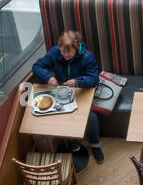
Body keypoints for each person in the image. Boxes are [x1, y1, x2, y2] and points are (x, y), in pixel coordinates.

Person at [32, 30, 105, 163]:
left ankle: (95, 145)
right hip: (61, 89)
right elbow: (37, 66)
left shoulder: (87, 57)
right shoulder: (54, 52)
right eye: (62, 51)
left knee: (91, 117)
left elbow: (94, 79)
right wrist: (49, 77)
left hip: (82, 91)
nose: (65, 54)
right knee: (59, 114)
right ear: (59, 48)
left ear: (76, 50)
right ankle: (72, 142)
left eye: (69, 52)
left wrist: (78, 81)